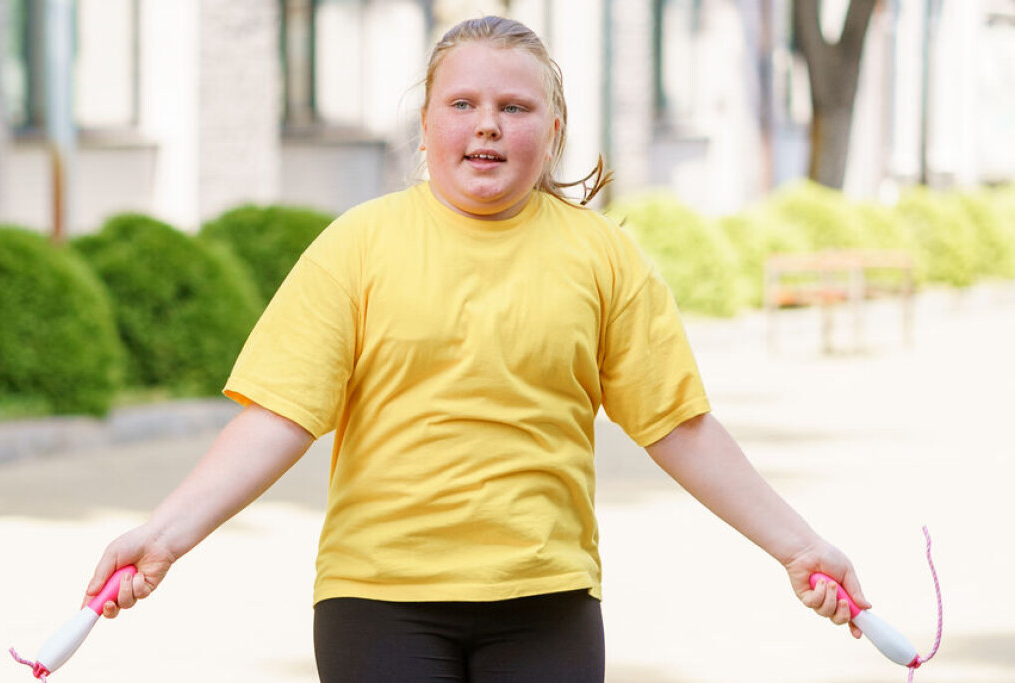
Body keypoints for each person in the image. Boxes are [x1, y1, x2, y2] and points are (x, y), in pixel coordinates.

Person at [85, 15, 868, 682]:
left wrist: (800, 547)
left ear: (553, 131)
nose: (487, 123)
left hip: (546, 603)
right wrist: (163, 536)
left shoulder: (604, 257)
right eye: (462, 103)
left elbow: (678, 426)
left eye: (515, 106)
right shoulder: (357, 245)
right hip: (377, 601)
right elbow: (275, 418)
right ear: (425, 124)